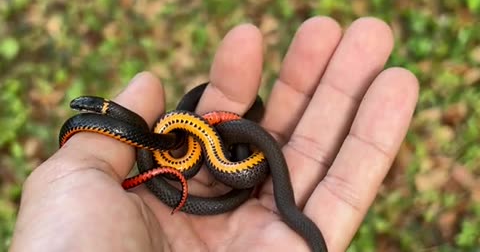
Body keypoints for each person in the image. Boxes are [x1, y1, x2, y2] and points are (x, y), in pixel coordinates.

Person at [9, 16, 418, 252]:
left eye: (87, 107)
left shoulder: (169, 134)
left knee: (228, 143)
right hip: (193, 155)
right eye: (85, 109)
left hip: (219, 153)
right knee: (185, 135)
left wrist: (239, 155)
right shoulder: (153, 140)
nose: (80, 111)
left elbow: (187, 137)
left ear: (100, 110)